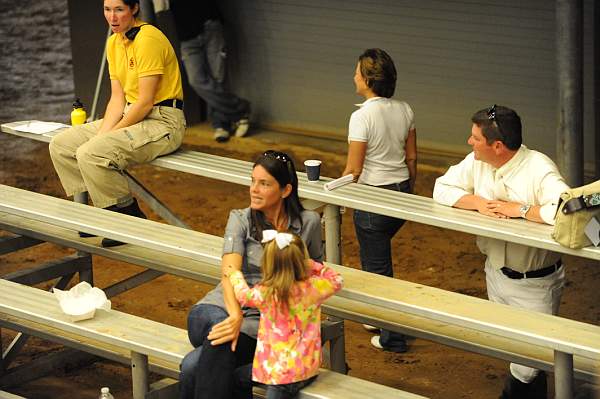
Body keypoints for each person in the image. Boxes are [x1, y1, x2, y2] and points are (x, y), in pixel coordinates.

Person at [433, 105, 569, 399]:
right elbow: (441, 188)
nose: (469, 143)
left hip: (535, 283)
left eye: (475, 138)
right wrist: (477, 202)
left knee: (528, 365)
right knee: (516, 353)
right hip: (495, 274)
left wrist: (520, 210)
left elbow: (566, 209)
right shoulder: (477, 161)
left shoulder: (539, 167)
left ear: (497, 146)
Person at [179, 150, 323, 399]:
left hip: (265, 320)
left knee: (193, 366)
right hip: (218, 307)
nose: (254, 189)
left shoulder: (308, 223)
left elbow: (313, 274)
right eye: (253, 181)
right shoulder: (240, 218)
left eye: (264, 184)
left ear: (286, 190)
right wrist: (234, 315)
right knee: (220, 331)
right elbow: (229, 272)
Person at [49, 0, 186, 247]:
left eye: (119, 9)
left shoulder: (148, 39)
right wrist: (104, 133)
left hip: (163, 121)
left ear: (134, 9)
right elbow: (116, 99)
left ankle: (128, 215)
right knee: (61, 145)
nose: (112, 17)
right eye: (107, 9)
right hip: (131, 115)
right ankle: (100, 213)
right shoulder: (114, 41)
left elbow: (144, 102)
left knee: (92, 152)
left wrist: (104, 138)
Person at [341, 48, 417, 353]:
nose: (354, 76)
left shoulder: (361, 117)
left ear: (368, 79)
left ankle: (393, 337)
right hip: (400, 194)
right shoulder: (405, 109)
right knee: (376, 259)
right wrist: (409, 191)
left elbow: (353, 170)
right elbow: (411, 157)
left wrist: (339, 197)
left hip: (373, 199)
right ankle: (376, 318)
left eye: (357, 71)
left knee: (378, 269)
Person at [225, 231, 342, 399]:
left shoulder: (265, 293)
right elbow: (337, 279)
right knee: (240, 378)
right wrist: (314, 266)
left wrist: (235, 275)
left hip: (275, 374)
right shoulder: (313, 288)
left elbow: (243, 295)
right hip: (307, 368)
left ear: (268, 263)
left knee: (237, 379)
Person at [154, 0, 251, 143]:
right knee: (196, 80)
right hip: (186, 35)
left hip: (210, 24)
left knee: (218, 77)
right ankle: (240, 109)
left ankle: (221, 124)